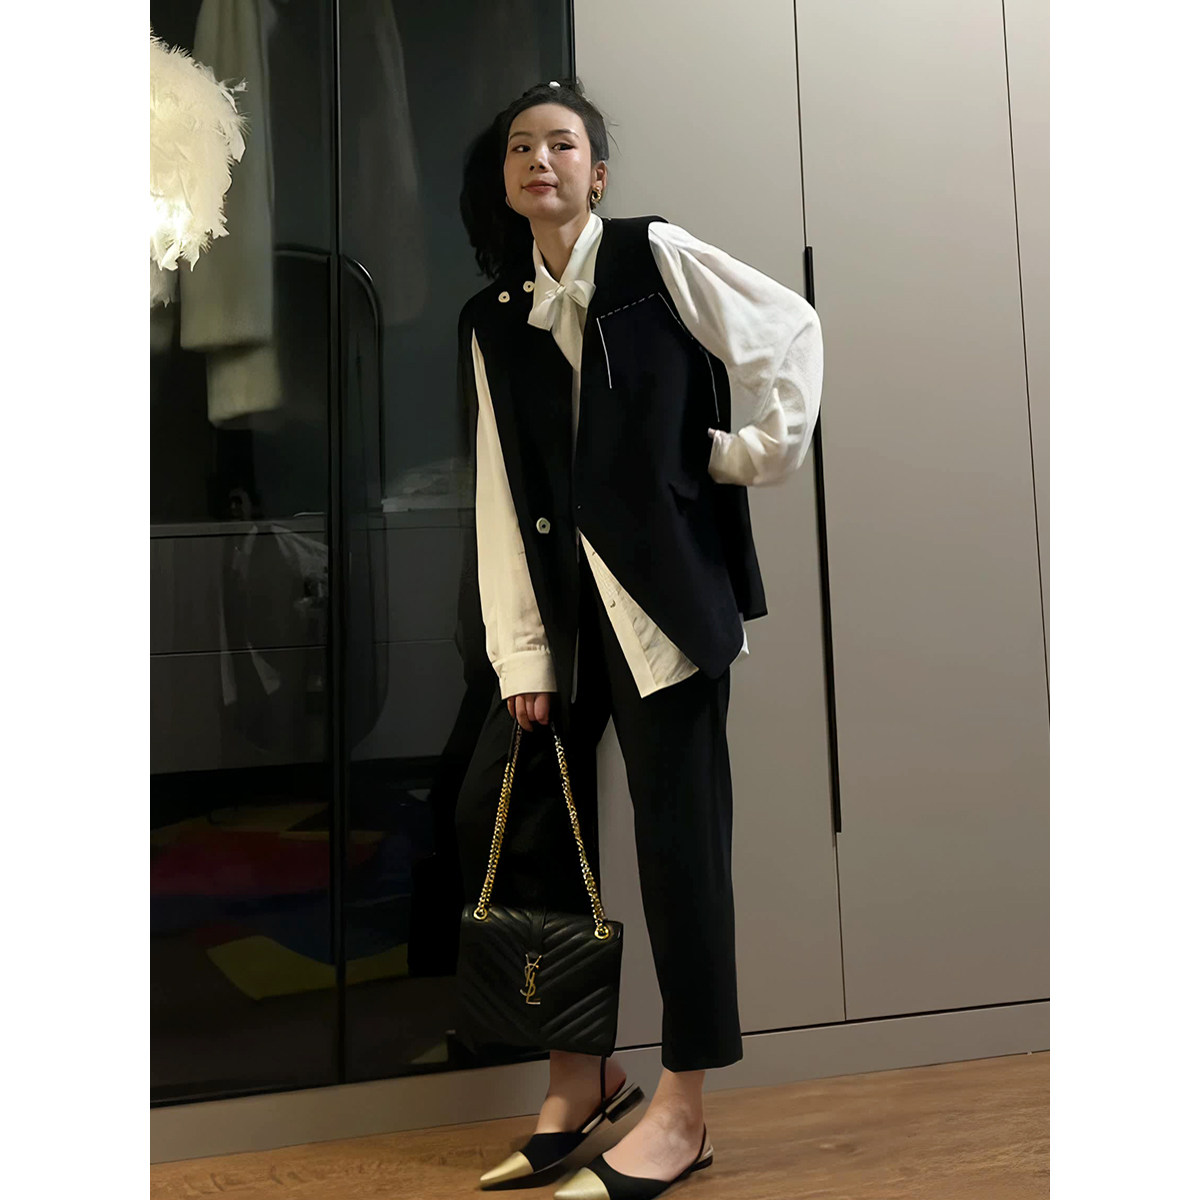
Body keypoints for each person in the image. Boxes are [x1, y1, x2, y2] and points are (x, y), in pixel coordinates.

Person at [453, 78, 823, 1200]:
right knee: (530, 840)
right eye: (522, 147)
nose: (542, 160)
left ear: (597, 173)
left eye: (563, 144)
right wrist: (524, 654)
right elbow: (499, 492)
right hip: (562, 623)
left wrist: (740, 455)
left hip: (664, 612)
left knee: (679, 855)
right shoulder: (494, 317)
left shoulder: (652, 255)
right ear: (507, 181)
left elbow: (788, 329)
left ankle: (683, 1108)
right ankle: (581, 1078)